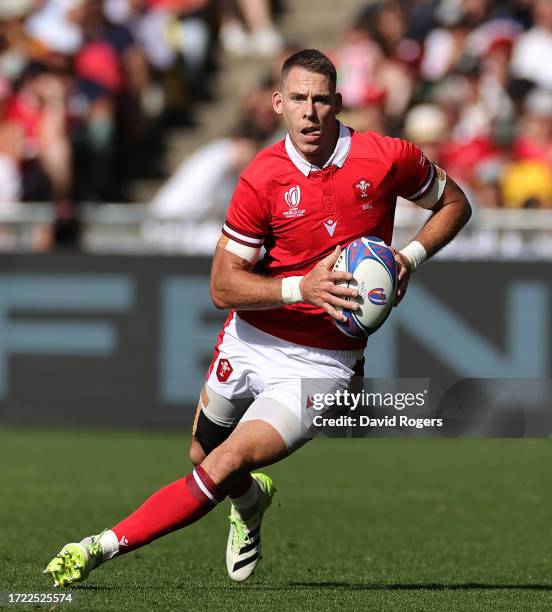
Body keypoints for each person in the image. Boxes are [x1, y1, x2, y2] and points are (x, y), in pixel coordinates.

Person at [44, 49, 471, 586]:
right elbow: (222, 287)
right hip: (249, 338)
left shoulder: (386, 157)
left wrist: (409, 257)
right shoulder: (262, 177)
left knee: (222, 464)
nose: (310, 112)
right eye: (298, 99)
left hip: (323, 363)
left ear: (338, 102)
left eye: (321, 100)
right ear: (278, 103)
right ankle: (251, 504)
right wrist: (301, 287)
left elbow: (456, 203)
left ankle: (94, 548)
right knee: (204, 452)